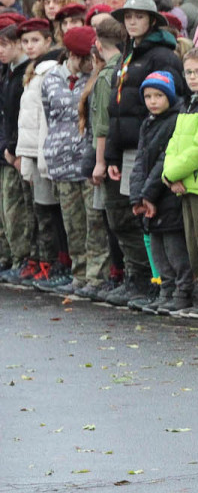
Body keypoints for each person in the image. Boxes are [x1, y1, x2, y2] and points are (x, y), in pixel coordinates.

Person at [39, 25, 105, 294]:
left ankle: (97, 275)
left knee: (95, 222)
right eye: (83, 58)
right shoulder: (51, 78)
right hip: (61, 160)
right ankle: (79, 274)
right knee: (73, 224)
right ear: (72, 55)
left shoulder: (96, 77)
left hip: (86, 159)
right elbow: (48, 115)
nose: (88, 63)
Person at [162, 47, 198, 318]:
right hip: (182, 183)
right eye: (189, 72)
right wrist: (168, 175)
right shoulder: (187, 103)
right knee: (192, 242)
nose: (193, 77)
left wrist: (174, 174)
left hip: (197, 184)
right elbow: (174, 143)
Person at [126, 72, 192, 313]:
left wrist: (148, 195)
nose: (152, 101)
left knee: (175, 249)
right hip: (149, 197)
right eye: (148, 96)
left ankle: (183, 291)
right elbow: (140, 162)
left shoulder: (175, 120)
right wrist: (137, 197)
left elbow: (162, 163)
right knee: (157, 249)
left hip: (166, 195)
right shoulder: (148, 122)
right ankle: (165, 289)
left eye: (158, 96)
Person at [76, 16, 127, 300]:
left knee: (116, 220)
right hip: (114, 155)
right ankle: (119, 274)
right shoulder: (119, 68)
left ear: (97, 44)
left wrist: (99, 162)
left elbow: (102, 126)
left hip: (107, 157)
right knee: (112, 221)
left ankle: (125, 275)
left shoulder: (108, 74)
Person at [16, 18, 66, 286]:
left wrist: (39, 153)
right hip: (30, 150)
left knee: (48, 210)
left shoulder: (50, 71)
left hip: (43, 150)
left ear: (48, 41)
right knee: (37, 210)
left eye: (35, 40)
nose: (29, 45)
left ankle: (54, 262)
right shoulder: (32, 70)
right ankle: (42, 260)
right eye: (25, 41)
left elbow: (43, 118)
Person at [0, 23, 32, 283]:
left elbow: (22, 117)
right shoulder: (8, 73)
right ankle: (10, 256)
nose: (1, 51)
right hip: (7, 149)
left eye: (5, 45)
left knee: (19, 209)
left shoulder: (23, 74)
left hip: (18, 151)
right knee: (7, 209)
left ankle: (23, 258)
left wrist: (14, 148)